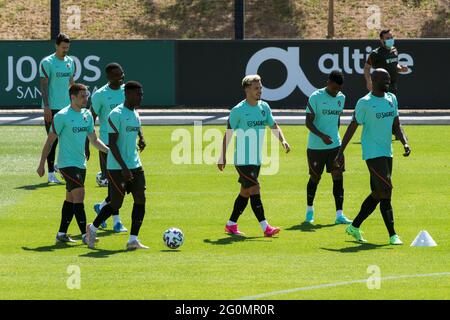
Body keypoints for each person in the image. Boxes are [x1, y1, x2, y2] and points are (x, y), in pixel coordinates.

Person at [335, 68, 411, 245]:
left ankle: (354, 226)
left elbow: (396, 125)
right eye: (385, 79)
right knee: (387, 189)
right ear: (374, 80)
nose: (388, 82)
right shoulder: (365, 103)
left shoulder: (392, 99)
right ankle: (393, 235)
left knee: (378, 194)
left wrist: (404, 142)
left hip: (387, 152)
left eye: (389, 79)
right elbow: (353, 126)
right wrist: (340, 151)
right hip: (372, 153)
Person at [217, 74, 291, 237]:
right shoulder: (238, 110)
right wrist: (222, 156)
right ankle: (266, 228)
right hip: (242, 160)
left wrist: (283, 140)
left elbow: (273, 125)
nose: (260, 91)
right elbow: (228, 134)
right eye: (256, 88)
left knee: (245, 192)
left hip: (256, 160)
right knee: (255, 188)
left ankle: (231, 224)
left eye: (260, 88)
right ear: (247, 89)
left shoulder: (264, 107)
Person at [36, 83, 109, 244]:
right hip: (66, 164)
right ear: (73, 97)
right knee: (80, 195)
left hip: (80, 163)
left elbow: (94, 140)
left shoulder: (87, 116)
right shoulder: (61, 116)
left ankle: (61, 233)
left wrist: (108, 151)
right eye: (82, 96)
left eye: (86, 96)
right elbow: (49, 143)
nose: (85, 99)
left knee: (70, 198)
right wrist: (41, 164)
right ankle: (85, 235)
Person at [86, 81, 148, 250]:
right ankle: (91, 229)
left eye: (141, 94)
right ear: (127, 94)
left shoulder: (135, 113)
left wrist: (141, 138)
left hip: (135, 163)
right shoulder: (116, 114)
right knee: (116, 203)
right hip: (116, 167)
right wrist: (124, 168)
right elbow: (112, 144)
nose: (141, 97)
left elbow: (137, 128)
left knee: (141, 198)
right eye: (138, 94)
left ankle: (133, 240)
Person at [304, 70, 352, 225]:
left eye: (338, 89)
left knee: (338, 176)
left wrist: (334, 137)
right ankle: (309, 211)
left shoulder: (341, 98)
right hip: (316, 147)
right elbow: (308, 122)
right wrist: (322, 136)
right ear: (328, 83)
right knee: (315, 178)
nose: (336, 91)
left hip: (335, 146)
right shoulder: (315, 97)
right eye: (334, 88)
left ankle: (339, 215)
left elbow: (337, 119)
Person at [88, 62, 131, 232]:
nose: (122, 77)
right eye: (118, 74)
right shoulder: (100, 95)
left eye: (122, 73)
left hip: (126, 144)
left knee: (124, 184)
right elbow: (90, 118)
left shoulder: (127, 90)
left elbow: (133, 114)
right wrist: (89, 143)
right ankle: (116, 221)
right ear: (109, 77)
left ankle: (102, 206)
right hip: (107, 145)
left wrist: (140, 135)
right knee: (116, 184)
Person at [39, 33, 75, 184]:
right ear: (56, 46)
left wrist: (75, 103)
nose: (65, 50)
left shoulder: (70, 62)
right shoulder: (47, 62)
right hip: (52, 108)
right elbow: (44, 85)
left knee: (67, 139)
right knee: (52, 140)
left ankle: (59, 166)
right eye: (63, 47)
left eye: (67, 47)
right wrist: (46, 106)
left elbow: (71, 83)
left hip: (67, 107)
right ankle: (51, 173)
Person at [364, 29, 409, 94]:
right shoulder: (376, 53)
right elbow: (366, 67)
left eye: (391, 37)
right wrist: (369, 82)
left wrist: (401, 69)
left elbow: (395, 65)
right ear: (382, 40)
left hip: (392, 86)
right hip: (380, 87)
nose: (390, 39)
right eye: (387, 38)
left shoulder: (394, 50)